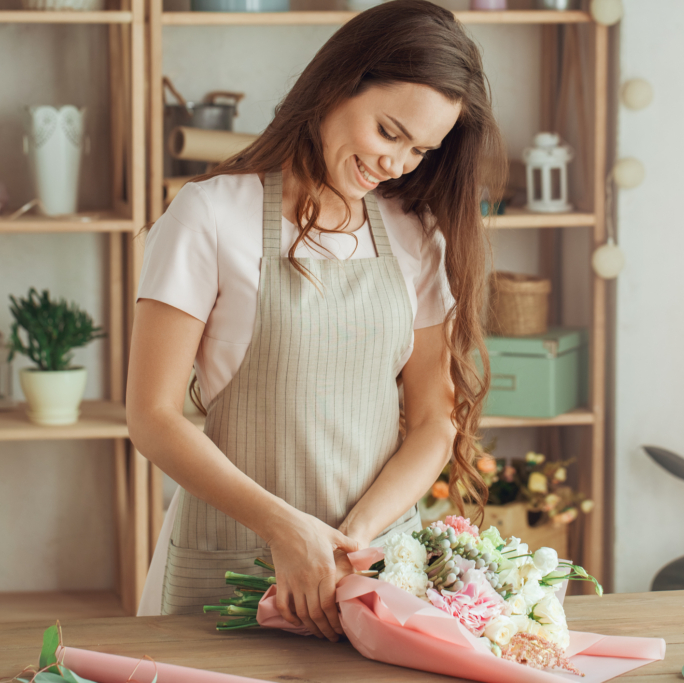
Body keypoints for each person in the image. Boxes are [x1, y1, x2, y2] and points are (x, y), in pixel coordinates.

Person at [126, 0, 504, 639]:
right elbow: (153, 417)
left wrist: (348, 543)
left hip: (371, 566)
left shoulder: (415, 235)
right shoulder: (210, 215)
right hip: (231, 559)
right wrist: (287, 530)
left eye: (420, 150)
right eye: (388, 132)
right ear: (337, 84)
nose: (397, 165)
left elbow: (436, 421)